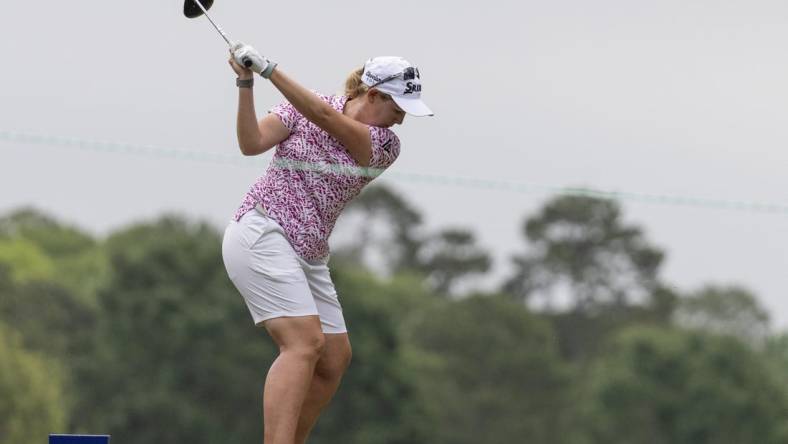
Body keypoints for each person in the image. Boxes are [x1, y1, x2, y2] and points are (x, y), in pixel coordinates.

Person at [220, 42, 433, 444]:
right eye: (398, 108)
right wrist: (245, 82)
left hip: (309, 252)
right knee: (304, 343)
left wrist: (269, 69)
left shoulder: (385, 145)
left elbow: (322, 116)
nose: (402, 120)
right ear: (372, 95)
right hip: (261, 231)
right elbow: (250, 143)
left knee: (334, 357)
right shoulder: (305, 106)